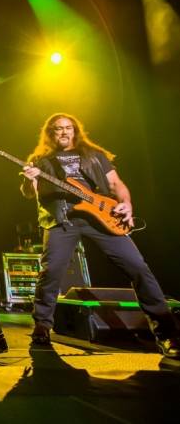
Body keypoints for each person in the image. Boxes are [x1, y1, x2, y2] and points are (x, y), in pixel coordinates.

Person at [20, 112, 178, 357]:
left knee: (138, 268)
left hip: (103, 217)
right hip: (63, 220)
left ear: (75, 131)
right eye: (58, 129)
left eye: (68, 128)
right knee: (51, 271)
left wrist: (126, 204)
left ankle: (168, 334)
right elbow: (30, 194)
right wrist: (29, 181)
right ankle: (42, 326)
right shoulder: (40, 161)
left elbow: (116, 185)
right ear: (50, 133)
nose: (63, 132)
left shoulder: (94, 156)